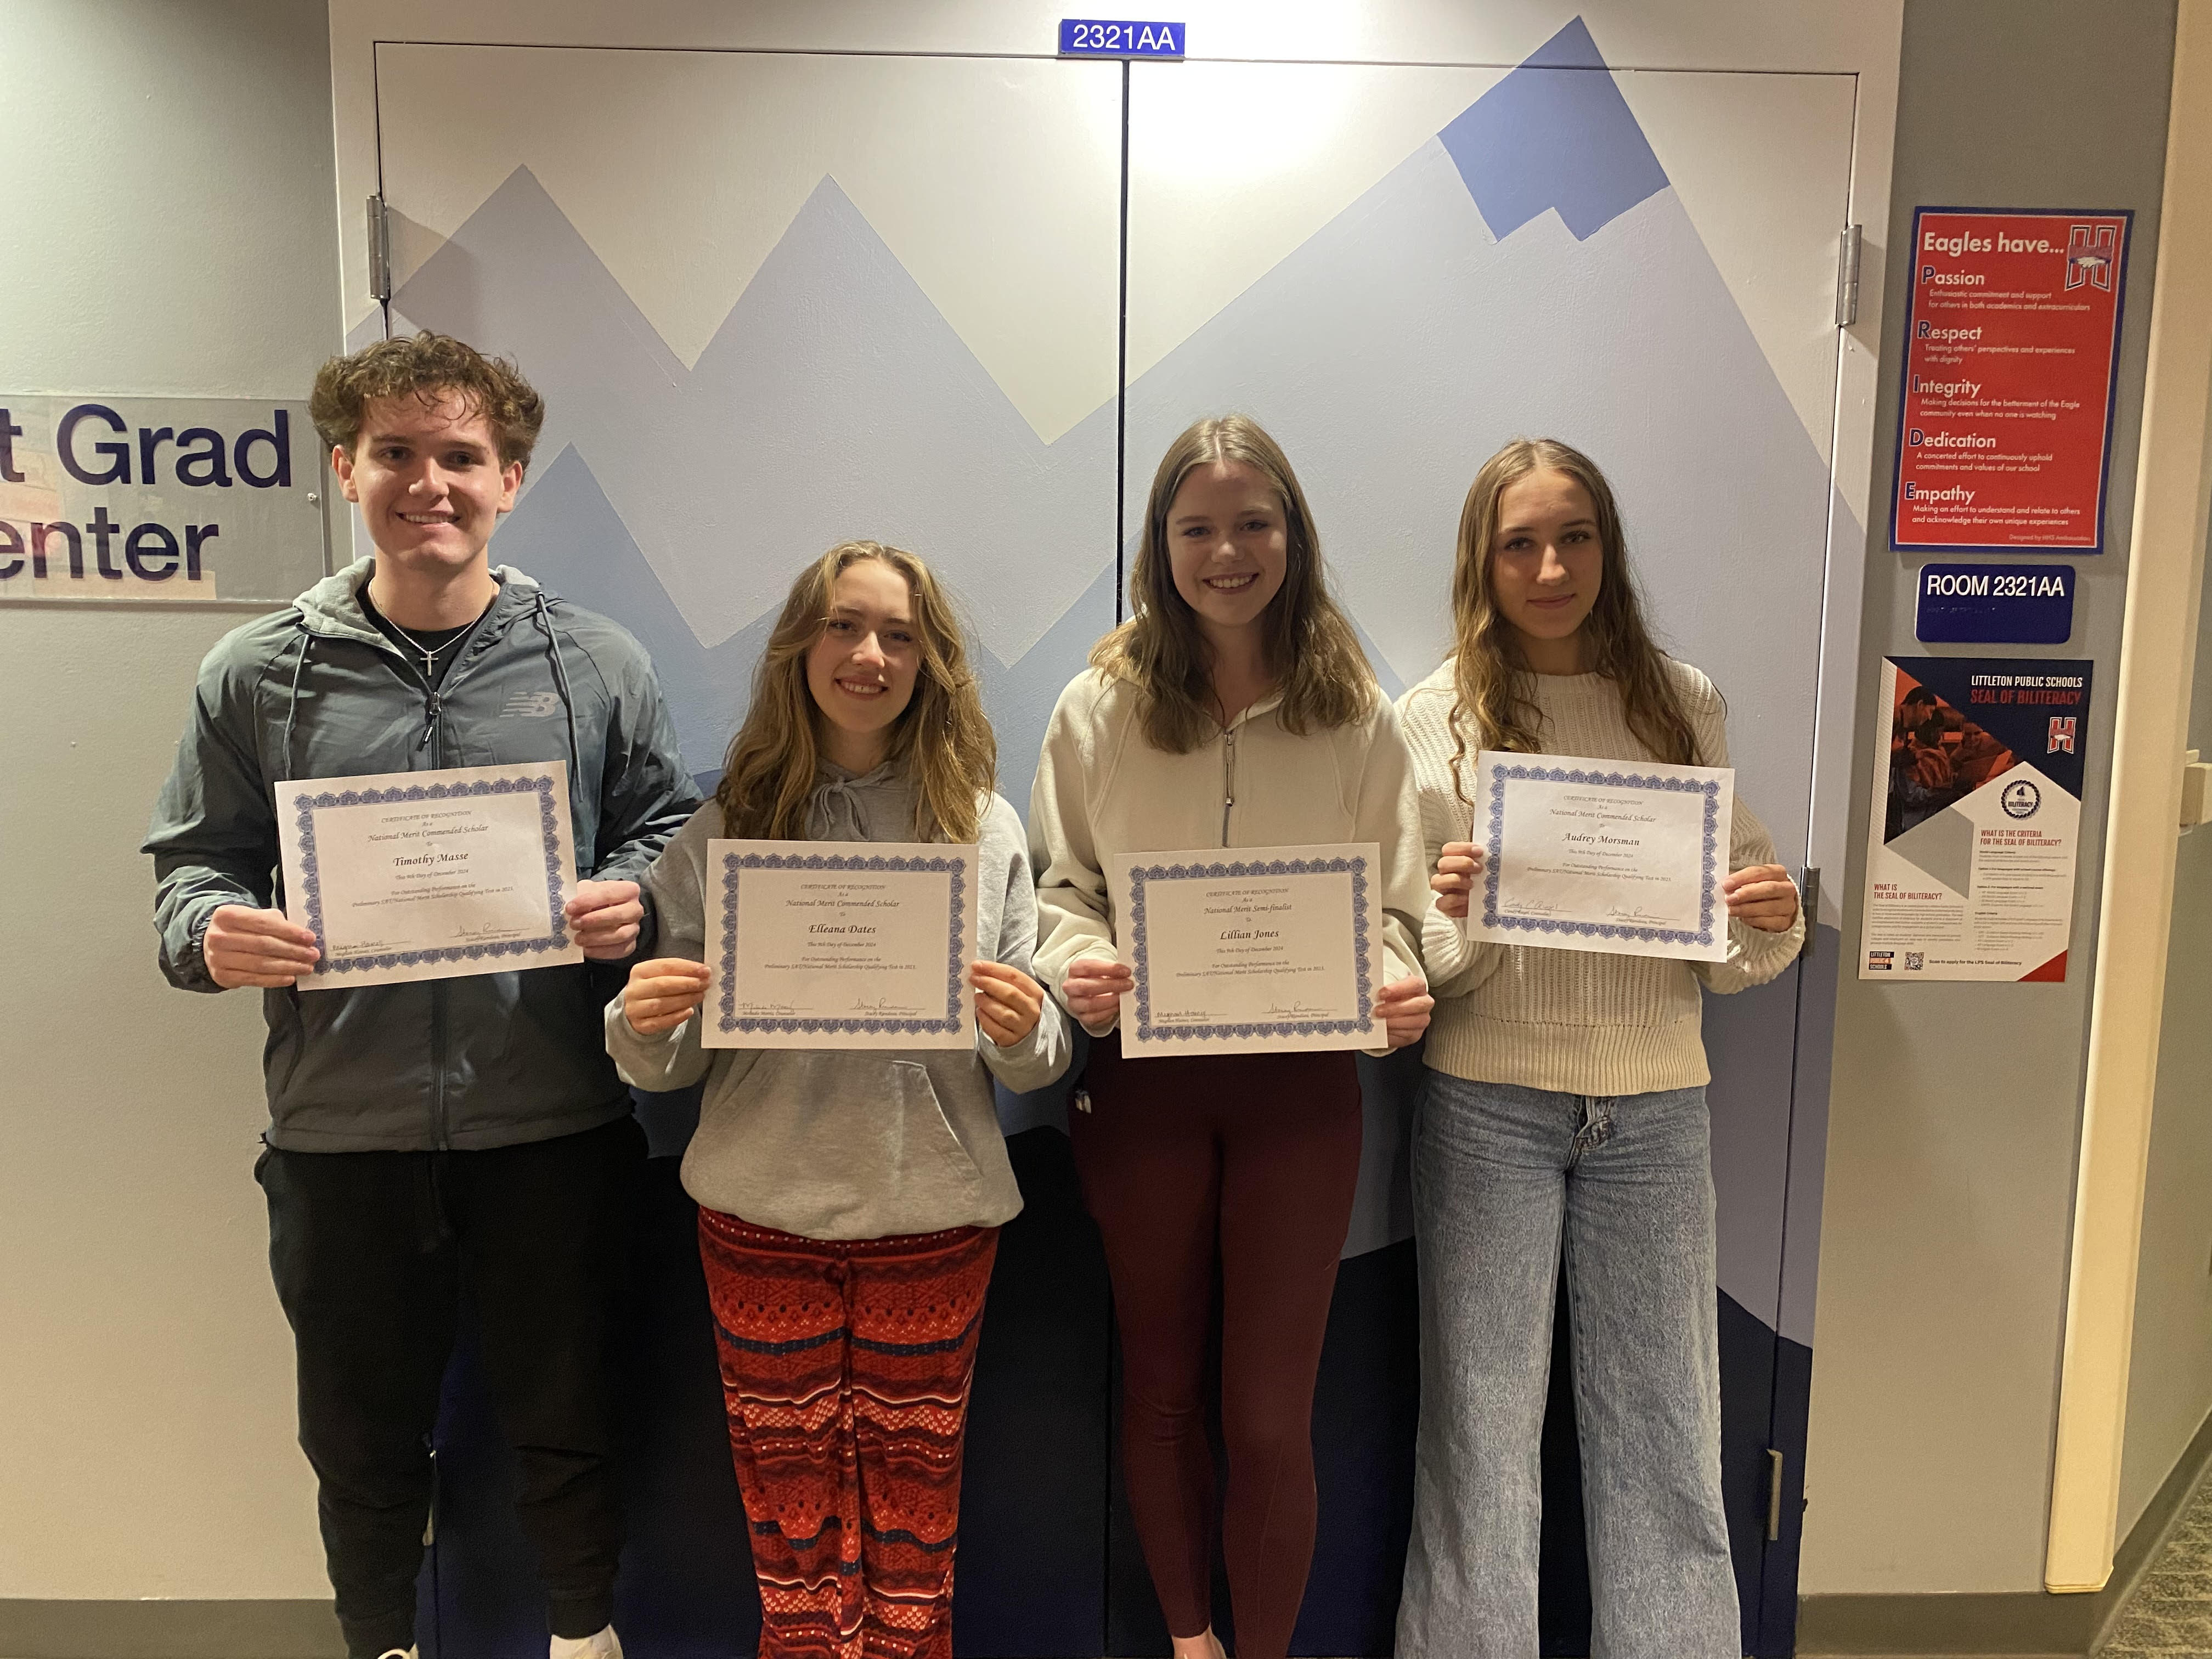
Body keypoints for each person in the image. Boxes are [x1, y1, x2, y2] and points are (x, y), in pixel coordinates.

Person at [143, 333, 700, 1659]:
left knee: (570, 1423)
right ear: (348, 469)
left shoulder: (597, 662)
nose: (429, 483)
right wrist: (214, 930)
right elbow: (187, 871)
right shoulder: (255, 671)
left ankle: (583, 1640)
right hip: (340, 1139)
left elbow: (667, 834)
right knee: (357, 1440)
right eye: (396, 453)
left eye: (461, 457)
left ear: (511, 479)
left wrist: (634, 898)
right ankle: (380, 1642)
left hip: (553, 1125)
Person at [608, 541, 1068, 1659]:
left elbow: (1039, 1060)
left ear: (931, 661)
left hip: (934, 1219)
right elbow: (660, 1067)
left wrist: (1029, 1027)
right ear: (799, 648)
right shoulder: (728, 829)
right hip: (759, 1216)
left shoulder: (981, 824)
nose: (870, 655)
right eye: (844, 627)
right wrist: (640, 1022)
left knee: (919, 1529)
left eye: (899, 635)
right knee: (791, 1528)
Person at [1029, 415, 1434, 1659]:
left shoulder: (1355, 710)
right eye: (1196, 527)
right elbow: (1057, 892)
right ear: (1161, 545)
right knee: (1159, 1393)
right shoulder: (1097, 706)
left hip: (1300, 1100)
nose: (1226, 551)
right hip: (1141, 1091)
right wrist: (1076, 965)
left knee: (1267, 1418)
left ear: (1293, 535)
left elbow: (1400, 908)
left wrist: (1392, 984)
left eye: (1253, 522)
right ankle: (1189, 1642)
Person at [1395, 438, 1803, 1658]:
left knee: (1668, 1429)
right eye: (1519, 542)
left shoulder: (1682, 703)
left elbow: (1727, 935)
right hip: (1486, 1101)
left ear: (1608, 549)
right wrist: (1457, 920)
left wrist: (1761, 923)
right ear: (1483, 558)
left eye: (1574, 537)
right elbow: (1411, 956)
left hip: (1656, 1105)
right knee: (1478, 1434)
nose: (1551, 565)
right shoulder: (1432, 716)